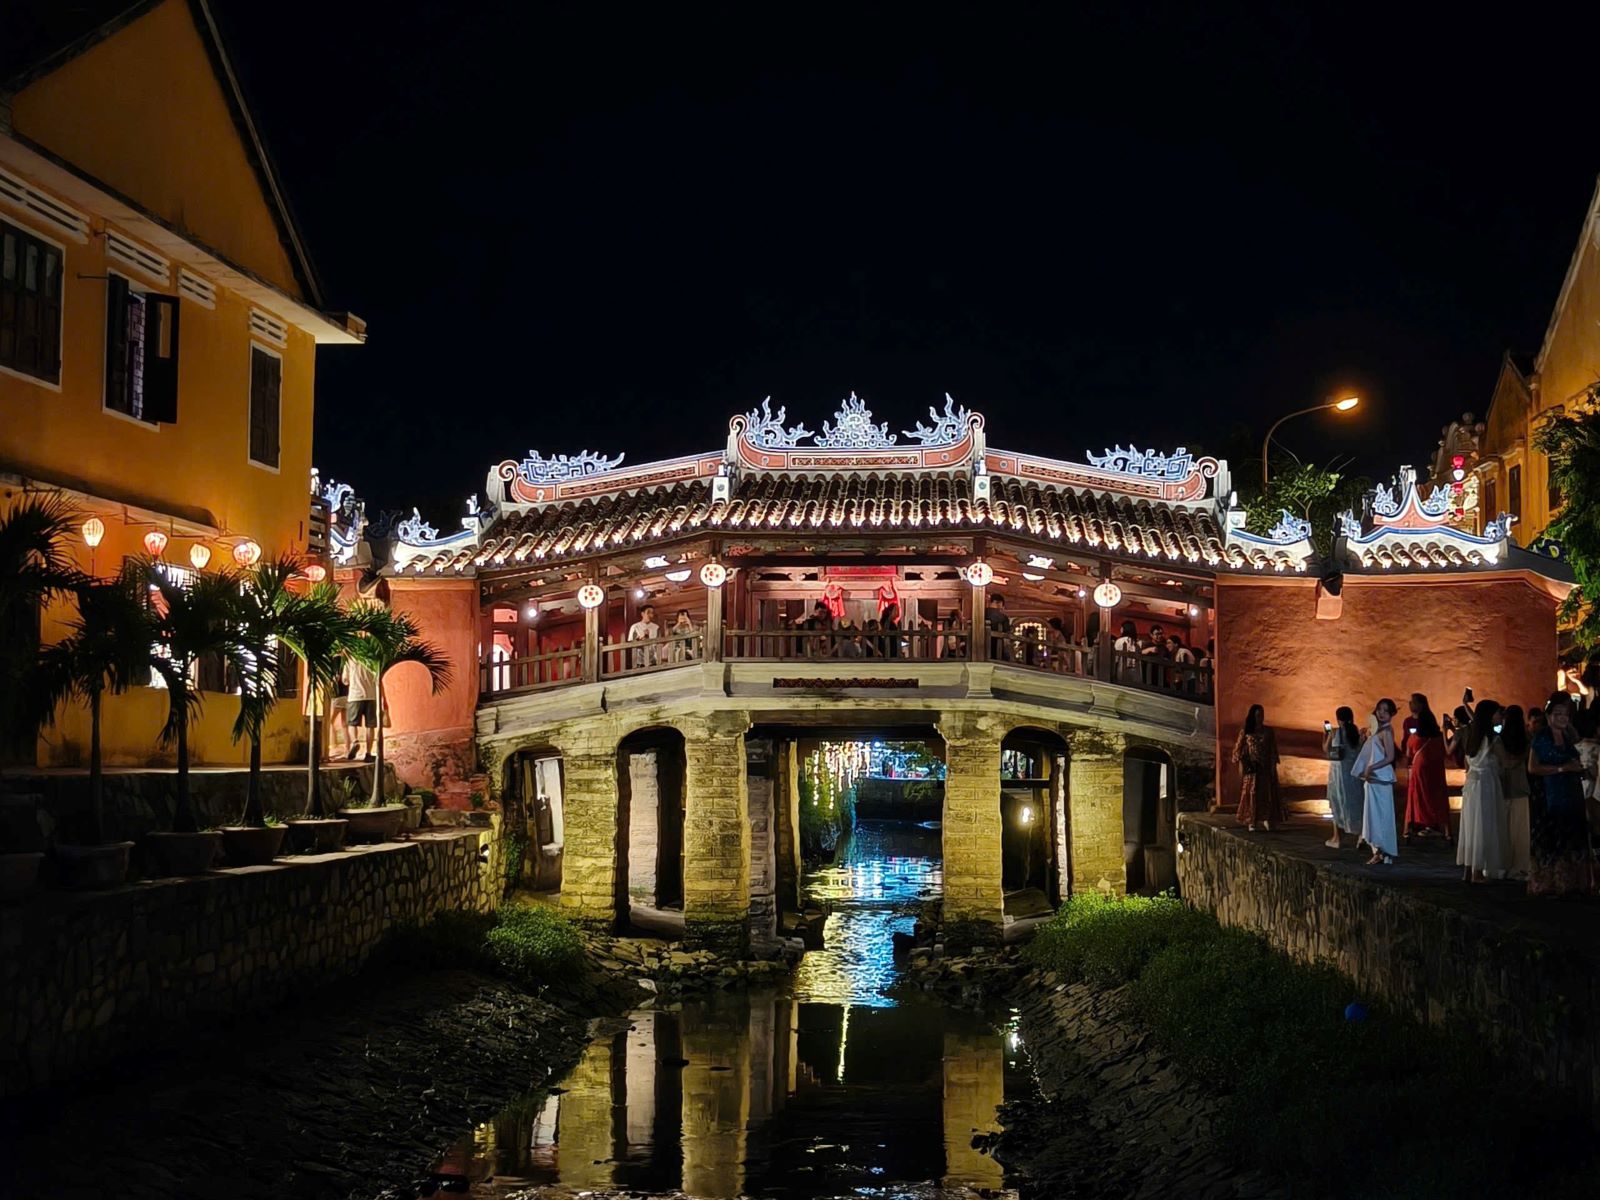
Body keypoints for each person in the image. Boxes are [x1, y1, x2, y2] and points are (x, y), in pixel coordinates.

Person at [1527, 694, 1597, 897]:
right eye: (1557, 714)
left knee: (1574, 834)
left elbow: (1576, 758)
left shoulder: (1569, 736)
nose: (1562, 718)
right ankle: (1551, 882)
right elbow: (1533, 767)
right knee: (1554, 836)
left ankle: (1574, 882)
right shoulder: (1542, 737)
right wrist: (1561, 768)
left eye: (1565, 714)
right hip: (1552, 792)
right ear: (1549, 716)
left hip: (1573, 790)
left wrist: (1581, 770)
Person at [1457, 700, 1509, 883]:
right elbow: (1506, 761)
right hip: (1486, 784)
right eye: (1498, 713)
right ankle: (1478, 872)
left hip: (1471, 785)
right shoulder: (1493, 740)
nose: (1500, 716)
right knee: (1483, 825)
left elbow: (1467, 763)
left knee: (1470, 825)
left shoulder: (1473, 737)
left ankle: (1468, 869)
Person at [1356, 697, 1400, 865]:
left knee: (1382, 815)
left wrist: (1371, 767)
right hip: (1373, 778)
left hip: (1381, 777)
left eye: (1386, 711)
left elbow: (1390, 757)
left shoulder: (1387, 731)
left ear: (1391, 714)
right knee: (1373, 815)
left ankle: (1383, 851)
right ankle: (1377, 851)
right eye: (1380, 709)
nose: (1381, 713)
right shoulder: (1375, 730)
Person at [1403, 694, 1450, 841]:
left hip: (1420, 770)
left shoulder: (1415, 737)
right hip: (1436, 770)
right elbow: (1445, 751)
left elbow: (1408, 753)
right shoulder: (1439, 737)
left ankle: (1408, 829)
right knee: (1438, 797)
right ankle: (1447, 831)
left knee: (1417, 797)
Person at [1231, 704, 1283, 831]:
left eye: (1262, 715)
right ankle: (1252, 820)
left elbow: (1273, 749)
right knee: (1252, 793)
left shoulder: (1268, 731)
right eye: (1258, 715)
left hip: (1265, 767)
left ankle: (1267, 818)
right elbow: (1238, 749)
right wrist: (1243, 762)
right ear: (1253, 716)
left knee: (1267, 794)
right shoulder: (1246, 731)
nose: (1261, 717)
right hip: (1253, 768)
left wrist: (1272, 765)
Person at [1497, 705, 1531, 880]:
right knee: (1520, 829)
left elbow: (1504, 762)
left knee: (1503, 828)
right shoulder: (1527, 739)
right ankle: (1520, 865)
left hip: (1503, 786)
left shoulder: (1499, 739)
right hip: (1520, 786)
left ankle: (1502, 864)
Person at [1323, 705, 1364, 849]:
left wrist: (1326, 734)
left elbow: (1326, 749)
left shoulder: (1335, 732)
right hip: (1353, 774)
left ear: (1338, 719)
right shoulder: (1355, 733)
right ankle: (1361, 835)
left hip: (1337, 776)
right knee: (1357, 802)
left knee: (1337, 803)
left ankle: (1337, 837)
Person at [342, 654, 379, 762]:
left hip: (355, 696)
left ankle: (355, 742)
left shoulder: (350, 659)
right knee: (370, 726)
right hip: (371, 696)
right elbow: (377, 678)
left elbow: (345, 680)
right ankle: (368, 753)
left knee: (352, 724)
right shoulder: (372, 660)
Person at [626, 603, 661, 669]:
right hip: (639, 660)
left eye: (652, 613)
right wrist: (638, 640)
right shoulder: (635, 627)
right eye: (648, 612)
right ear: (642, 614)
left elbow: (658, 643)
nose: (650, 615)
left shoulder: (656, 627)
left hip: (653, 660)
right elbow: (630, 643)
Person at [985, 593, 1012, 660]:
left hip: (980, 648)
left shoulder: (981, 613)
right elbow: (1006, 638)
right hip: (997, 651)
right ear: (999, 603)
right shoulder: (1003, 617)